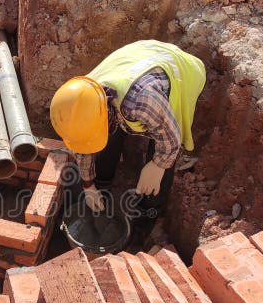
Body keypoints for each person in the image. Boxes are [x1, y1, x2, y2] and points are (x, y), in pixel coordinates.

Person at [50, 40, 206, 240]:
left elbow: (171, 138)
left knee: (160, 163)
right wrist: (88, 185)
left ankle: (146, 217)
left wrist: (157, 166)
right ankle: (102, 184)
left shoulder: (140, 102)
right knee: (107, 134)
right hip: (139, 61)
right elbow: (84, 144)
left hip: (182, 73)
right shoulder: (83, 97)